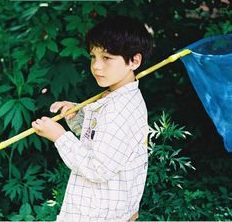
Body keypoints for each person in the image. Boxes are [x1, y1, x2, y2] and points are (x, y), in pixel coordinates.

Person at [32, 15, 153, 222]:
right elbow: (104, 143)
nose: (96, 66)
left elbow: (97, 168)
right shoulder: (119, 99)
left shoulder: (119, 110)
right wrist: (77, 117)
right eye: (93, 56)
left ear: (135, 60)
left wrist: (60, 136)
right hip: (109, 209)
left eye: (107, 58)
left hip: (97, 214)